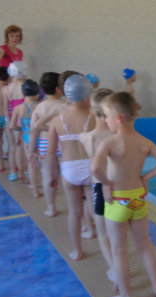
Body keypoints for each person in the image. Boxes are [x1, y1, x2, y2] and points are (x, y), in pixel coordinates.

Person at [91, 91, 156, 297]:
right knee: (145, 245)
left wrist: (106, 183)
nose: (105, 120)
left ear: (118, 118)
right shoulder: (143, 141)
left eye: (106, 116)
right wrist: (146, 177)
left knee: (119, 250)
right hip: (138, 199)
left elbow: (95, 168)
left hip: (117, 200)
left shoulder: (110, 143)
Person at [46, 74, 94, 261]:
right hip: (91, 168)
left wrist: (52, 176)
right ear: (87, 95)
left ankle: (77, 251)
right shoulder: (94, 118)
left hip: (69, 169)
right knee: (96, 212)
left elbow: (51, 153)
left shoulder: (57, 121)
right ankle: (110, 250)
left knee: (74, 213)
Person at [79, 88, 116, 284]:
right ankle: (120, 267)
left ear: (92, 111)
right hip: (122, 186)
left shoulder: (87, 137)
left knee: (103, 234)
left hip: (100, 187)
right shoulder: (118, 134)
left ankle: (115, 270)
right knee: (119, 236)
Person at [28, 71, 66, 217]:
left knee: (48, 177)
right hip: (63, 142)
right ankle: (74, 206)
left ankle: (51, 208)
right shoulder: (64, 105)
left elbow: (33, 130)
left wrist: (32, 150)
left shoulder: (39, 107)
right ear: (59, 88)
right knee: (66, 177)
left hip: (45, 143)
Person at [9, 79, 41, 196]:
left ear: (23, 93)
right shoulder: (39, 106)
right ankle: (48, 184)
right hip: (40, 136)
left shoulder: (18, 108)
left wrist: (21, 130)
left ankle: (34, 189)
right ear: (37, 94)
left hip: (27, 137)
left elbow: (12, 126)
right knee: (43, 164)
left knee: (31, 164)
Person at [4, 61, 28, 181]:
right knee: (24, 146)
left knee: (13, 146)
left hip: (12, 118)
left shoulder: (6, 89)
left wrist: (9, 122)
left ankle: (13, 172)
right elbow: (28, 104)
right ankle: (24, 170)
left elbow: (5, 108)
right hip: (24, 118)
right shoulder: (25, 86)